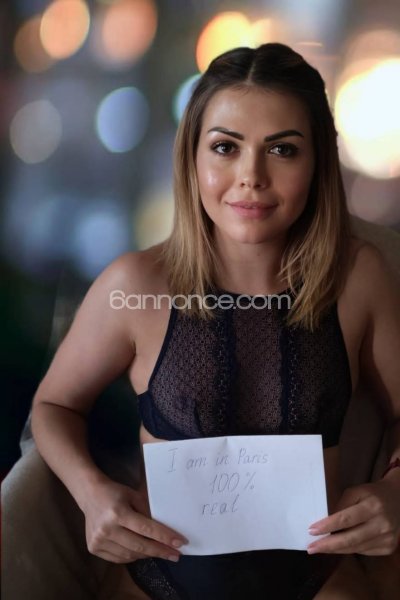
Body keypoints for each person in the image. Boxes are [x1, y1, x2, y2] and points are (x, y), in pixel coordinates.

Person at [26, 42, 400, 599]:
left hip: (319, 583)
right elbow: (53, 406)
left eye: (283, 150)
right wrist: (92, 494)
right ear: (192, 157)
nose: (251, 176)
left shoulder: (358, 278)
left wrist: (397, 492)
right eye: (226, 147)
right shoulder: (136, 286)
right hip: (155, 583)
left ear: (319, 161)